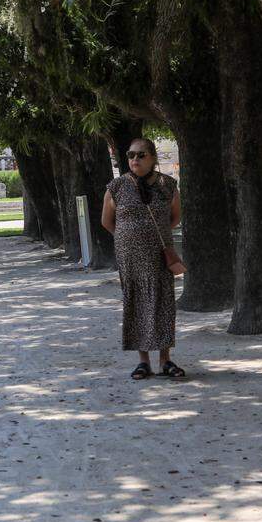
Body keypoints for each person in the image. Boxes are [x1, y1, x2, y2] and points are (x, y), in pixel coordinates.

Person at [100, 137, 186, 380]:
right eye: (130, 155)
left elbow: (175, 218)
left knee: (163, 303)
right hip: (130, 257)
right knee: (136, 303)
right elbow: (107, 222)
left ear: (152, 158)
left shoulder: (168, 185)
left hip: (160, 253)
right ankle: (143, 361)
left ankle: (165, 359)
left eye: (140, 155)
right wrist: (128, 238)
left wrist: (150, 236)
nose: (134, 159)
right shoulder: (116, 187)